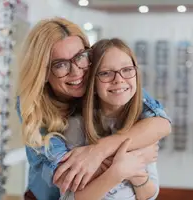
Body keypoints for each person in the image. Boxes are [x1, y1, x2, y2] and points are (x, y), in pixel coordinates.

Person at [16, 17, 171, 200]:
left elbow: (162, 124)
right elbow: (72, 173)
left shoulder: (108, 82)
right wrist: (135, 154)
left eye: (80, 56)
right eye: (60, 64)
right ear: (43, 72)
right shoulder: (33, 104)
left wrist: (100, 150)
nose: (77, 72)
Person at [52, 38, 160, 200]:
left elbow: (150, 195)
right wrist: (118, 171)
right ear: (92, 82)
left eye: (127, 69)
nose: (119, 79)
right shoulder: (76, 126)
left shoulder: (142, 125)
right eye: (105, 73)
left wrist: (136, 175)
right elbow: (69, 198)